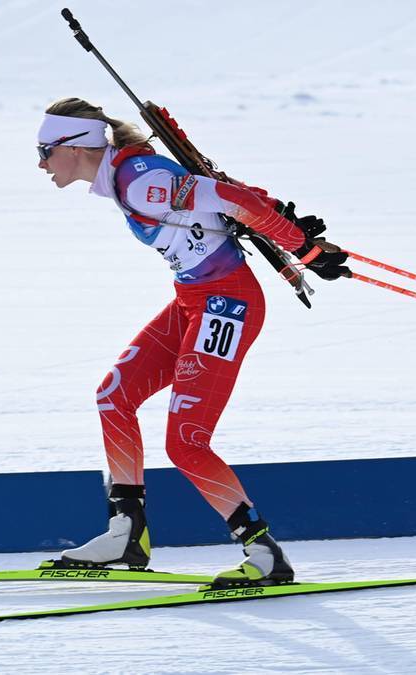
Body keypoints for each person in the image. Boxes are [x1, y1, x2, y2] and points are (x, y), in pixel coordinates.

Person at [36, 97, 348, 587]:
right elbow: (230, 197)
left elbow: (237, 202)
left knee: (185, 441)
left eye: (45, 150)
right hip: (191, 299)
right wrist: (285, 229)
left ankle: (263, 553)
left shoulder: (141, 181)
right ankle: (126, 534)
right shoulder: (125, 176)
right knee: (113, 396)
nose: (40, 163)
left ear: (75, 147)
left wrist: (302, 248)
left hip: (227, 304)